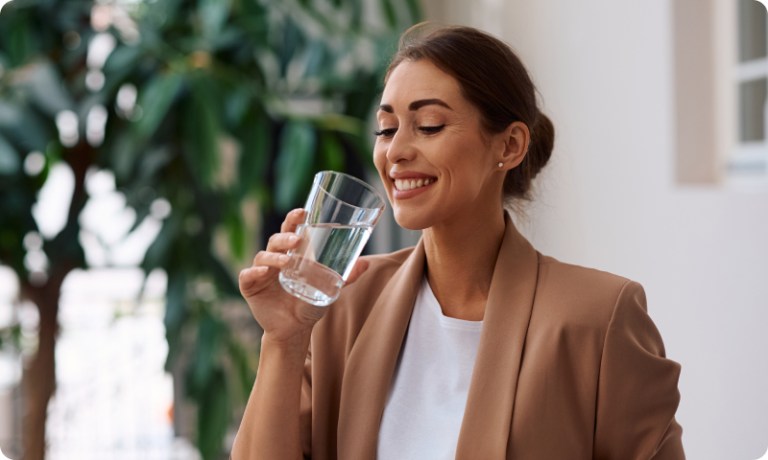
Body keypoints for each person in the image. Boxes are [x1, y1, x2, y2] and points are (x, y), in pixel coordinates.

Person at [232, 23, 684, 459]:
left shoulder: (598, 319)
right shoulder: (345, 305)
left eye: (428, 125)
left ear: (508, 147)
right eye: (386, 128)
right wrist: (284, 338)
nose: (396, 151)